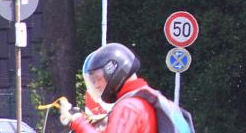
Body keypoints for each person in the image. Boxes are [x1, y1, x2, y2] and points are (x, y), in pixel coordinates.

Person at [59, 43, 192, 133]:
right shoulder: (145, 99)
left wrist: (78, 121)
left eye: (98, 78)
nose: (96, 85)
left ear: (113, 70)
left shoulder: (129, 107)